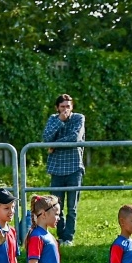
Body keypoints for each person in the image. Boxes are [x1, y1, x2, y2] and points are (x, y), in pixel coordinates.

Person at [41, 94, 86, 245]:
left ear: (72, 107)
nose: (65, 109)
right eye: (62, 107)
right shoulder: (53, 119)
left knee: (72, 207)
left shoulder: (78, 118)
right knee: (55, 206)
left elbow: (75, 138)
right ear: (57, 108)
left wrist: (54, 145)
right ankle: (61, 236)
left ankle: (69, 237)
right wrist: (60, 120)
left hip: (74, 167)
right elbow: (46, 138)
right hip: (56, 169)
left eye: (68, 106)